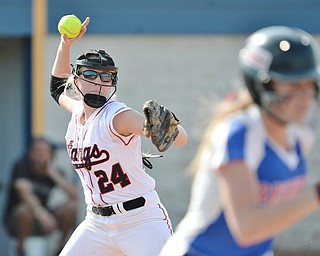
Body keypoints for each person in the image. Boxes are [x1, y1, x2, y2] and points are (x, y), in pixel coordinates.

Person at [160, 25, 320, 256]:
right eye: (292, 84)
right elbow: (246, 230)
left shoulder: (300, 134)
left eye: (308, 83)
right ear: (260, 85)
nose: (304, 96)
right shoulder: (239, 132)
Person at [49, 16, 188, 256]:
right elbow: (57, 87)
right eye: (91, 75)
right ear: (77, 78)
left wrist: (163, 125)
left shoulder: (116, 117)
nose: (99, 83)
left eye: (106, 77)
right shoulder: (77, 111)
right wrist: (66, 44)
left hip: (140, 221)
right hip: (96, 224)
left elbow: (180, 138)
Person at [3, 137, 77, 256]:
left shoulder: (54, 171)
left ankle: (61, 247)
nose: (38, 155)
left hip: (44, 219)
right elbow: (24, 192)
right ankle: (20, 249)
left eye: (43, 151)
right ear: (30, 152)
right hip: (20, 220)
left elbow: (74, 194)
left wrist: (52, 173)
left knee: (71, 208)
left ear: (51, 155)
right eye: (35, 151)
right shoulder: (21, 166)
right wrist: (42, 214)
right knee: (25, 210)